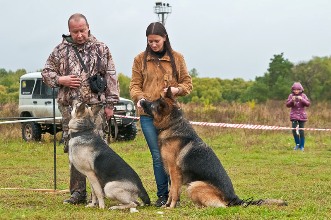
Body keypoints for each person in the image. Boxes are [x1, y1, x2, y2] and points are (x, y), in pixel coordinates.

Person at [42, 13, 120, 204]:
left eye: (82, 31)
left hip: (96, 109)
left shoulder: (101, 48)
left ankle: (101, 190)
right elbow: (46, 72)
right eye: (75, 32)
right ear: (69, 31)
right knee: (75, 150)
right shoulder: (60, 51)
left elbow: (111, 76)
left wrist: (110, 104)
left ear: (88, 27)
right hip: (71, 110)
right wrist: (61, 79)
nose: (79, 35)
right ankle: (78, 193)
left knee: (100, 149)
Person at [129, 22, 193, 207]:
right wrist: (140, 97)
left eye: (156, 41)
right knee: (158, 156)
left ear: (165, 38)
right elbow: (134, 85)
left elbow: (187, 84)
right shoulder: (139, 60)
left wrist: (175, 89)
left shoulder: (177, 58)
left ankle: (175, 196)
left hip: (170, 118)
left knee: (173, 157)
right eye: (150, 42)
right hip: (148, 115)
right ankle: (163, 195)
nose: (153, 45)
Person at [286, 82, 310, 151]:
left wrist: (302, 99)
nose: (296, 91)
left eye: (298, 90)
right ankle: (297, 144)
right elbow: (287, 105)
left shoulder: (304, 95)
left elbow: (308, 104)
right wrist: (291, 100)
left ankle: (302, 146)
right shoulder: (290, 96)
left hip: (302, 116)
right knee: (294, 130)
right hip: (294, 116)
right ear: (292, 90)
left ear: (300, 90)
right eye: (295, 90)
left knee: (301, 131)